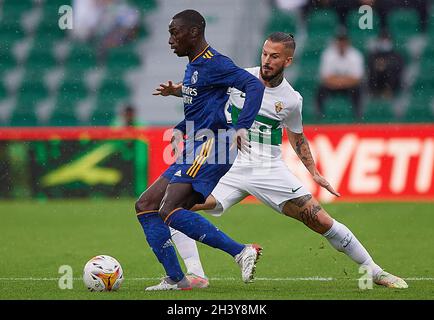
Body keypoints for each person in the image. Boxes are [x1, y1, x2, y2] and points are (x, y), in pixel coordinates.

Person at [158, 32, 408, 289]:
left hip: (268, 168)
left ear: (288, 61)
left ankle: (376, 272)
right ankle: (196, 274)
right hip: (228, 165)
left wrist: (314, 172)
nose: (266, 60)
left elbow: (298, 138)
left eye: (274, 56)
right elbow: (201, 91)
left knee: (321, 221)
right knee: (176, 208)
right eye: (265, 54)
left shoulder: (291, 100)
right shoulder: (239, 77)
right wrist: (177, 91)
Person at [135, 10, 265, 291]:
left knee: (171, 208)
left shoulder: (215, 63)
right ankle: (177, 279)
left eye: (174, 32)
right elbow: (204, 106)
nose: (170, 39)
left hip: (214, 144)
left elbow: (253, 85)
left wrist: (243, 126)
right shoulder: (193, 65)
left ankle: (241, 251)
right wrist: (182, 127)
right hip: (197, 144)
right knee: (146, 205)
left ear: (194, 33)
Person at [316, 30, 364, 120]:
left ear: (348, 42)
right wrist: (342, 81)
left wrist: (339, 81)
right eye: (340, 41)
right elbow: (325, 77)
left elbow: (357, 78)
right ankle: (320, 117)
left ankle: (357, 117)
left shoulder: (355, 55)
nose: (342, 44)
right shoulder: (328, 54)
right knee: (320, 90)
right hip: (333, 86)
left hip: (349, 87)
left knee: (358, 90)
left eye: (344, 41)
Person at [367, 31, 404, 98]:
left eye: (386, 39)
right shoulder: (373, 55)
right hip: (375, 85)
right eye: (382, 39)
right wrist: (379, 66)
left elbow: (399, 70)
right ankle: (375, 92)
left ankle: (388, 91)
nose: (384, 42)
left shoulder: (396, 56)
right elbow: (370, 68)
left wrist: (386, 65)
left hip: (392, 87)